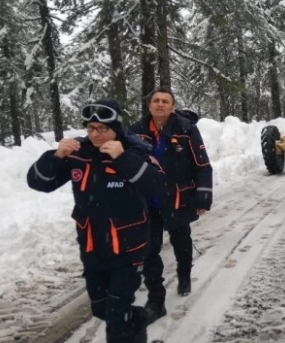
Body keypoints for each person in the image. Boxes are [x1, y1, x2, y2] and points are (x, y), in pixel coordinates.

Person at [26, 99, 164, 343]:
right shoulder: (80, 154)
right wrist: (56, 157)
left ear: (116, 129)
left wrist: (122, 159)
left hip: (128, 250)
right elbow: (39, 183)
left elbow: (156, 185)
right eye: (91, 128)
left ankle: (129, 327)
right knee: (100, 309)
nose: (96, 134)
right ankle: (139, 319)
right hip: (92, 248)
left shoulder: (135, 151)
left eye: (103, 128)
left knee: (116, 318)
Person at [129, 88, 213, 323]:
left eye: (165, 101)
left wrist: (203, 196)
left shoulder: (186, 130)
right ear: (149, 106)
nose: (160, 104)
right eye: (155, 100)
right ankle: (156, 301)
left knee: (181, 241)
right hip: (148, 202)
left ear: (172, 106)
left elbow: (203, 165)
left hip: (178, 197)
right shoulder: (135, 132)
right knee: (149, 250)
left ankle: (184, 274)